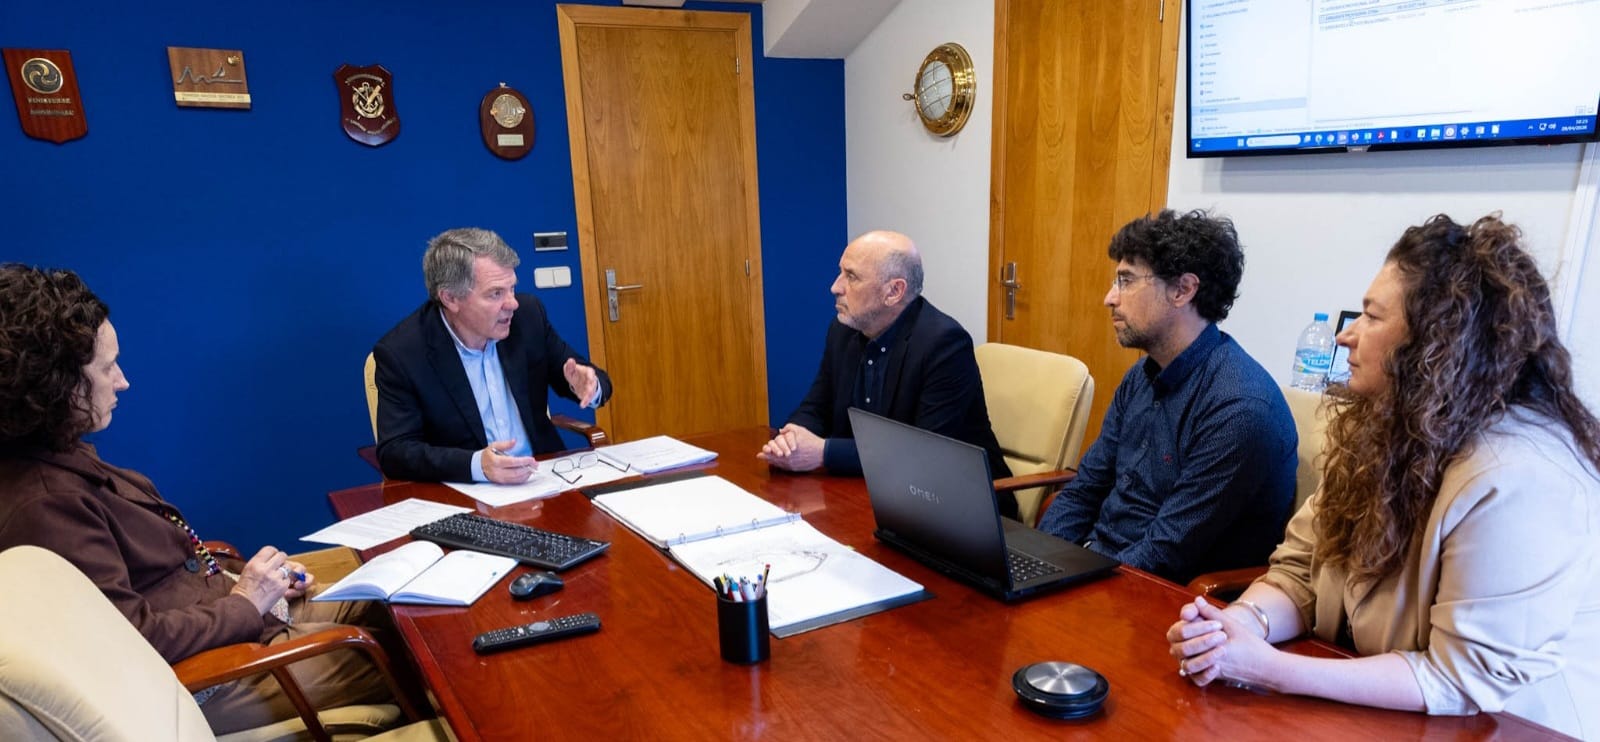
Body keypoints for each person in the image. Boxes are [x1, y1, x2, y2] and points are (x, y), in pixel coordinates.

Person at [1165, 214, 1600, 738]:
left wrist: (1272, 670)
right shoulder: (1386, 426)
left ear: (1439, 341)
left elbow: (1460, 679)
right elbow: (1300, 573)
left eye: (1371, 316)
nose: (1346, 334)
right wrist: (1239, 626)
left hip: (1505, 727)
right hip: (1374, 707)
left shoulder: (1519, 476)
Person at [0, 264, 398, 734]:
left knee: (395, 605)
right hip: (211, 676)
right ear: (55, 385)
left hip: (230, 615)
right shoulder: (45, 507)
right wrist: (247, 601)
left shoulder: (57, 452)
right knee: (406, 654)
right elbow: (131, 642)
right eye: (107, 367)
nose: (123, 381)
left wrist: (252, 585)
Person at [1037, 210, 1297, 584]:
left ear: (1182, 290)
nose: (1109, 298)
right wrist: (1040, 561)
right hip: (1099, 565)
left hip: (1163, 594)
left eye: (1126, 280)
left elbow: (1166, 553)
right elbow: (1085, 490)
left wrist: (1071, 583)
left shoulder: (1240, 409)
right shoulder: (1141, 376)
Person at [758, 230, 1015, 516]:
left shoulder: (944, 344)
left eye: (851, 277)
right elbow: (817, 405)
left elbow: (923, 452)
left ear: (894, 292)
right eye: (840, 272)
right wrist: (793, 436)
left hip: (957, 503)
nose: (835, 287)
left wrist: (823, 452)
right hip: (875, 490)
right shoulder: (843, 331)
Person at [374, 227, 611, 484]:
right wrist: (477, 466)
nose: (512, 303)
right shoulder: (403, 353)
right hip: (468, 489)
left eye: (512, 288)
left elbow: (587, 377)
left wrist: (589, 384)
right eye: (496, 293)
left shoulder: (527, 317)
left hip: (542, 477)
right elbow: (395, 451)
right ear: (450, 298)